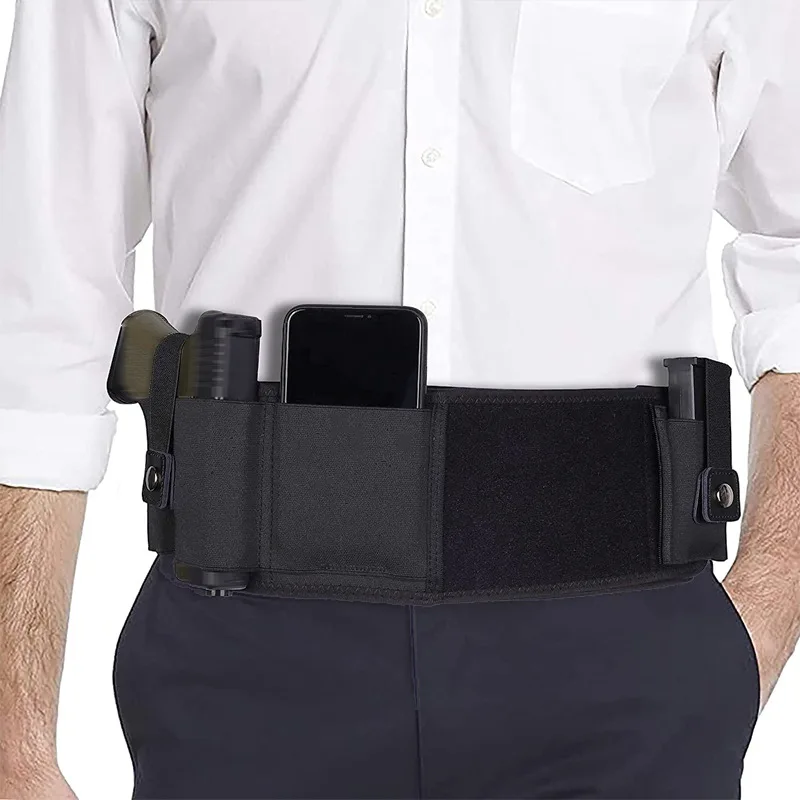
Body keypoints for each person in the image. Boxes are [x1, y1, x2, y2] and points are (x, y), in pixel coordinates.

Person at [0, 1, 798, 798]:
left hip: (628, 656)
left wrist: (765, 608)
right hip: (242, 649)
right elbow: (41, 298)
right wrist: (14, 743)